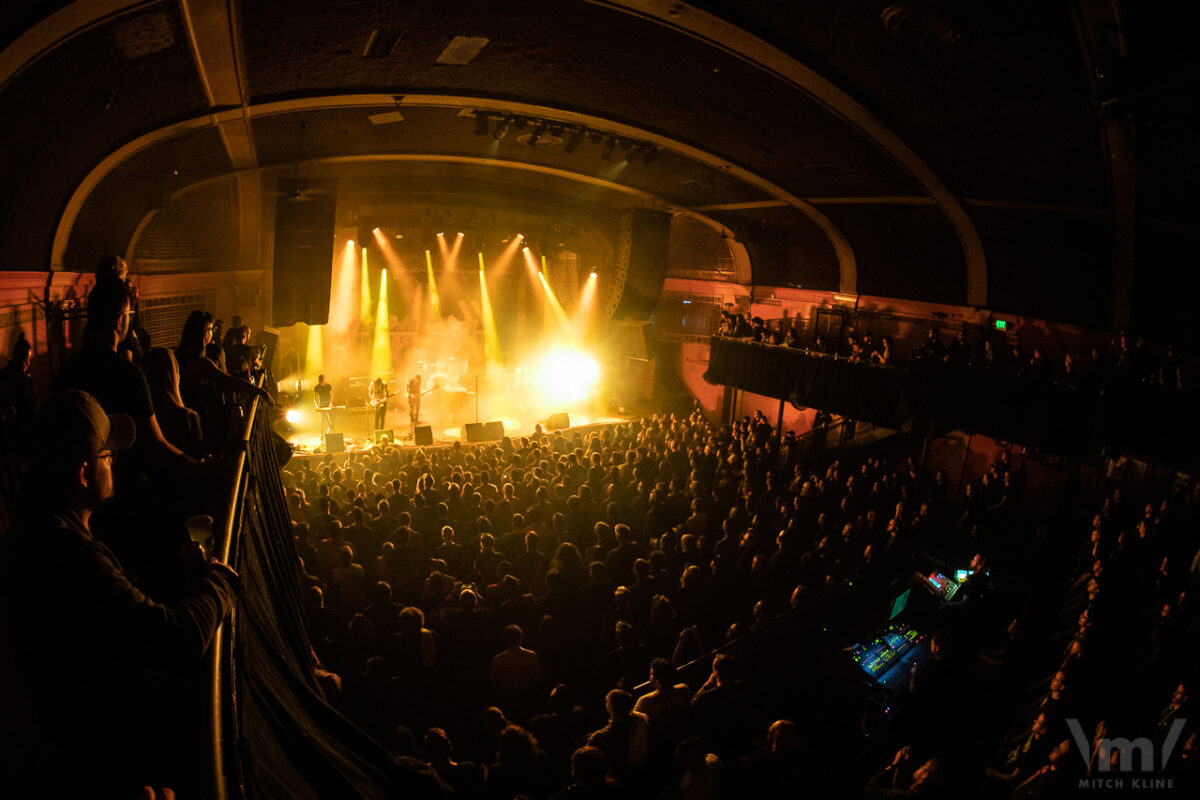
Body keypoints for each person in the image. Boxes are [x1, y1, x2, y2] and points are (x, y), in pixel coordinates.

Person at [2, 391, 239, 796]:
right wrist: (220, 584)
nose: (115, 463)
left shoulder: (33, 534)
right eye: (107, 457)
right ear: (82, 473)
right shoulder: (68, 555)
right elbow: (173, 640)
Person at [55, 278, 195, 478]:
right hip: (126, 488)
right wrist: (200, 469)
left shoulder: (66, 370)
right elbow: (156, 444)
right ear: (120, 321)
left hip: (76, 483)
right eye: (129, 315)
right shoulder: (129, 375)